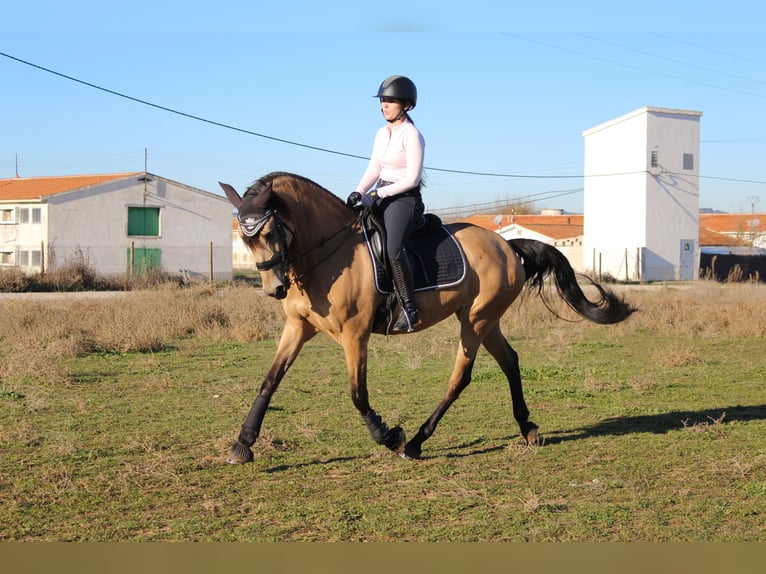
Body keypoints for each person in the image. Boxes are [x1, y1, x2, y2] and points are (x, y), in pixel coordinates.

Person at [347, 75, 425, 333]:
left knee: (393, 249)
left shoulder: (412, 135)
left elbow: (412, 178)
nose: (384, 105)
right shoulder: (382, 133)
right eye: (382, 100)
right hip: (381, 192)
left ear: (406, 105)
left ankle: (410, 309)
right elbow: (375, 167)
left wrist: (382, 194)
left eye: (390, 101)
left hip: (404, 199)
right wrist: (359, 191)